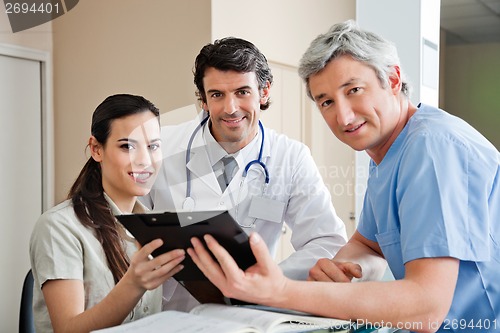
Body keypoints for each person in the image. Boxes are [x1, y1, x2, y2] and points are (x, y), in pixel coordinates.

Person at [187, 20, 500, 333]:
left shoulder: (431, 149)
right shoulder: (389, 155)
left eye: (354, 90)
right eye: (326, 101)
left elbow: (427, 307)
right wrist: (342, 268)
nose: (344, 116)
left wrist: (282, 290)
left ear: (392, 79)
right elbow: (370, 244)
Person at [143, 37, 349, 309]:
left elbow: (326, 239)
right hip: (170, 313)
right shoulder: (161, 146)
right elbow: (125, 226)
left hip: (250, 312)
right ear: (203, 99)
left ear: (264, 92)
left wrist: (268, 280)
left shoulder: (291, 157)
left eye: (242, 92)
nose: (230, 108)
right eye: (217, 94)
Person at [29, 94, 186, 333]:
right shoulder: (58, 227)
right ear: (96, 149)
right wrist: (133, 284)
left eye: (153, 146)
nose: (144, 160)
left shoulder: (155, 226)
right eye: (127, 146)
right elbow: (67, 329)